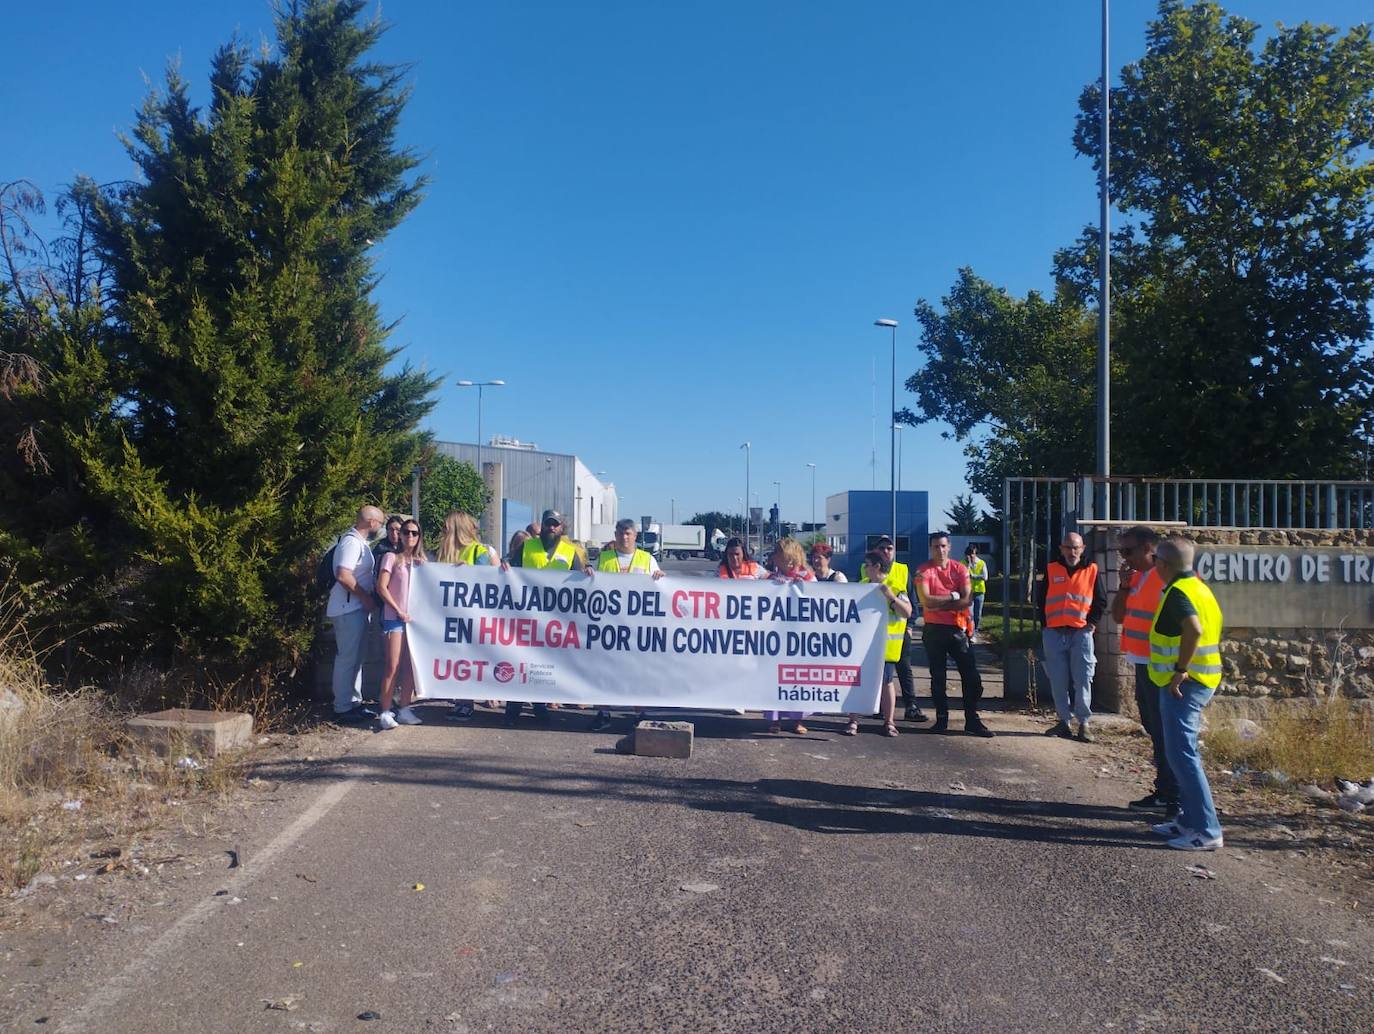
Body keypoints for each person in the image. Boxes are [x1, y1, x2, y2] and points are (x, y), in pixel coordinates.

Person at [1147, 537, 1225, 851]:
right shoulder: (1199, 588)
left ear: (1162, 565)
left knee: (1183, 757)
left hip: (1185, 684)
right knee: (1181, 754)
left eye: (1155, 560)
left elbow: (1194, 629)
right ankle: (1189, 820)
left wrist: (1180, 669)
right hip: (1198, 679)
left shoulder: (1179, 593)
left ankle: (1207, 830)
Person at [1112, 525, 1179, 816]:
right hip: (1142, 663)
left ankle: (1174, 796)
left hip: (1163, 668)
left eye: (1127, 551)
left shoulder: (1168, 579)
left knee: (1167, 733)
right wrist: (1124, 587)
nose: (1123, 558)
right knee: (1155, 729)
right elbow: (1117, 615)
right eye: (1119, 551)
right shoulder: (1136, 578)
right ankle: (1165, 791)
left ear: (1148, 549)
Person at [507, 510, 585, 724]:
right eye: (548, 524)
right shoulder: (526, 546)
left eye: (556, 525)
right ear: (542, 526)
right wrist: (504, 567)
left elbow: (580, 579)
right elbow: (509, 568)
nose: (552, 528)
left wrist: (587, 572)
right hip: (526, 615)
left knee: (543, 664)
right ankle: (513, 708)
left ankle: (539, 706)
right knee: (520, 660)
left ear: (561, 528)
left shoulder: (570, 552)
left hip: (555, 620)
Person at [587, 518, 665, 731]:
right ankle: (603, 713)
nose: (624, 537)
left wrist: (660, 576)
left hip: (637, 627)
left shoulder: (647, 559)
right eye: (621, 533)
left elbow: (663, 586)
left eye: (628, 533)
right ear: (615, 534)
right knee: (604, 671)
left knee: (637, 672)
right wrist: (588, 574)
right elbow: (590, 581)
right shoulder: (604, 558)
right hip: (609, 625)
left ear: (635, 536)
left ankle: (640, 713)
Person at [914, 531, 994, 737]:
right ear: (930, 548)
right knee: (938, 677)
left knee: (972, 678)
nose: (939, 550)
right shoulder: (923, 571)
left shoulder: (960, 569)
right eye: (935, 546)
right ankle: (941, 720)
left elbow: (967, 600)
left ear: (949, 547)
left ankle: (972, 719)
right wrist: (952, 596)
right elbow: (925, 601)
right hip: (933, 630)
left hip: (958, 629)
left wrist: (939, 601)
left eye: (943, 546)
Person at [1035, 531, 1107, 742]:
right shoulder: (1051, 568)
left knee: (1083, 678)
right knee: (1058, 680)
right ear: (1061, 549)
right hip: (1054, 632)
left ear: (1082, 549)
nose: (1072, 551)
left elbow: (1100, 601)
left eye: (1076, 547)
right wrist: (1046, 625)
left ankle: (1084, 723)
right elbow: (1042, 599)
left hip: (1080, 633)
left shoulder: (1091, 570)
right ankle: (1063, 721)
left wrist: (1090, 625)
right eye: (1068, 547)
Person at [436, 511, 505, 722]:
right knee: (459, 660)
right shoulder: (442, 553)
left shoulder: (482, 551)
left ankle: (468, 702)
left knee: (474, 658)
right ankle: (463, 700)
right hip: (453, 616)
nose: (443, 530)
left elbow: (498, 582)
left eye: (446, 526)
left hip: (478, 616)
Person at [325, 505, 385, 722]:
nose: (381, 527)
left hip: (355, 608)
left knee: (356, 658)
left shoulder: (359, 543)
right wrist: (364, 596)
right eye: (380, 522)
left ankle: (354, 702)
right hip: (348, 608)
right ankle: (342, 706)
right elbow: (343, 575)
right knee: (347, 658)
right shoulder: (351, 543)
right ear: (371, 522)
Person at [861, 535, 926, 724]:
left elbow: (911, 601)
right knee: (880, 675)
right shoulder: (866, 570)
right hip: (874, 634)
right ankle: (879, 708)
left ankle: (910, 705)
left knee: (904, 669)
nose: (886, 552)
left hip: (898, 631)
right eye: (882, 549)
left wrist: (910, 626)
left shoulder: (903, 570)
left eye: (890, 548)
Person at [846, 549, 910, 737]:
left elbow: (907, 612)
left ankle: (889, 722)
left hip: (886, 647)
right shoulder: (862, 585)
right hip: (862, 645)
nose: (864, 568)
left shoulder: (896, 586)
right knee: (856, 682)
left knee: (886, 683)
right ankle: (853, 720)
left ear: (877, 566)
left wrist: (890, 597)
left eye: (867, 565)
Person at [375, 518, 426, 730]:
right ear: (400, 535)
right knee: (392, 665)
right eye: (406, 532)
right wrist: (398, 610)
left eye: (414, 533)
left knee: (409, 667)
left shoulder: (423, 562)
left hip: (414, 622)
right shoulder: (391, 558)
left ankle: (405, 707)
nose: (410, 536)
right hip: (394, 618)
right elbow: (381, 587)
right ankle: (385, 712)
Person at [763, 538, 815, 734]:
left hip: (799, 636)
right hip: (776, 635)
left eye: (779, 555)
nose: (775, 558)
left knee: (797, 678)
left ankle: (797, 720)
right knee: (773, 677)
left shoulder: (807, 577)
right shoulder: (772, 578)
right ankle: (774, 719)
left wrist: (805, 589)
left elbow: (820, 599)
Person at [963, 543, 988, 639]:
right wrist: (969, 565)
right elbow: (963, 576)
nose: (970, 556)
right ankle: (970, 632)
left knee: (977, 615)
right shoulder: (962, 563)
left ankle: (975, 630)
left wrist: (974, 576)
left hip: (979, 591)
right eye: (968, 554)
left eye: (972, 554)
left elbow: (985, 577)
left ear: (975, 553)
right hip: (968, 592)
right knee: (970, 613)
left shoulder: (981, 563)